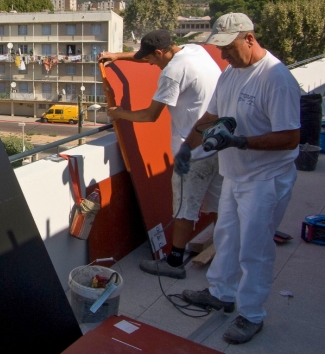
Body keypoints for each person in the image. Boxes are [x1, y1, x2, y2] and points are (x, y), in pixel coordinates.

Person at [176, 13, 301, 344]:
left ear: (249, 38)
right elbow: (211, 117)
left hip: (265, 178)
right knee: (227, 236)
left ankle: (252, 314)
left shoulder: (276, 78)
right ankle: (221, 293)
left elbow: (290, 137)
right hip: (234, 173)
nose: (223, 56)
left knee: (255, 249)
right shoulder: (230, 74)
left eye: (228, 48)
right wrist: (187, 147)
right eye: (219, 49)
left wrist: (241, 141)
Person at [99, 30, 222, 279]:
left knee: (185, 209)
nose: (151, 65)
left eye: (152, 60)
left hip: (193, 153)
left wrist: (119, 113)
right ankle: (225, 253)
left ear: (160, 53)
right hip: (219, 142)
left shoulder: (172, 72)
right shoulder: (195, 50)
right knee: (222, 205)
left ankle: (174, 262)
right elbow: (148, 56)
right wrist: (118, 56)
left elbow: (149, 116)